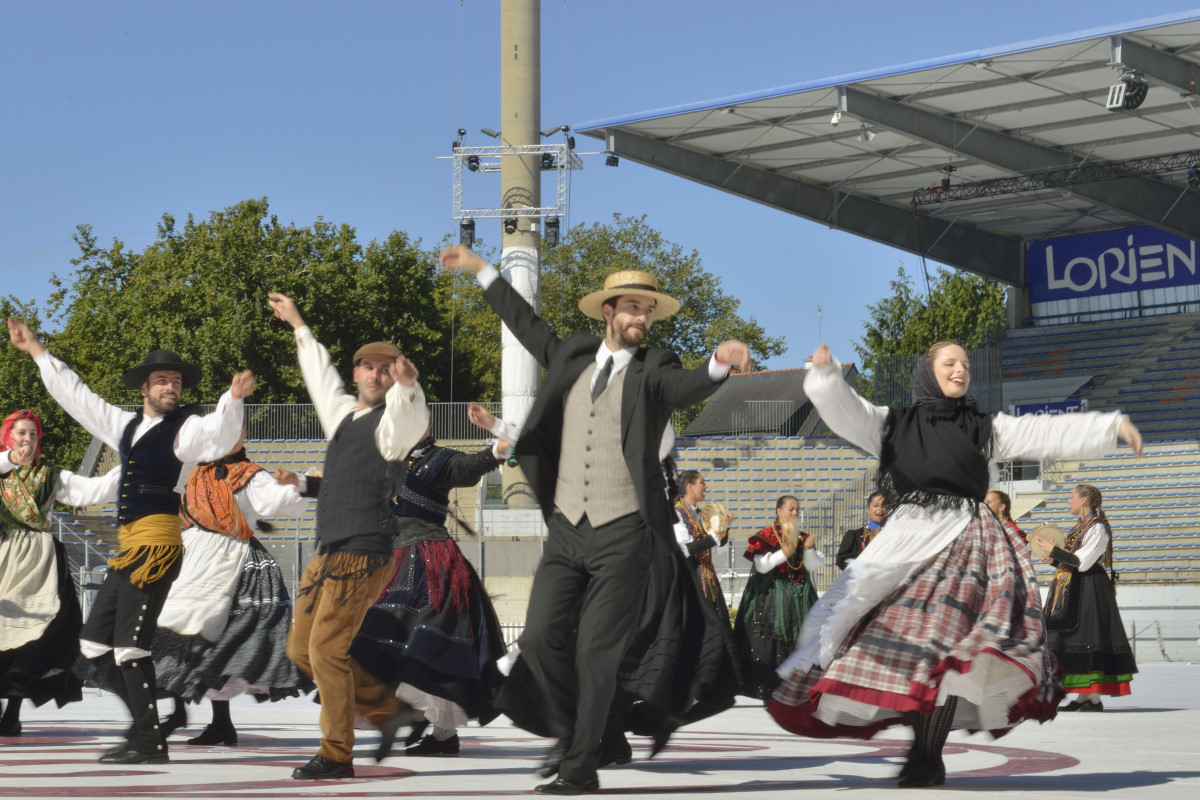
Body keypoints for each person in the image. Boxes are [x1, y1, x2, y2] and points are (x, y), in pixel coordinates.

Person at [440, 244, 750, 796]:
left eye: (649, 310)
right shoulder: (572, 358)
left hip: (625, 531)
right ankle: (579, 734)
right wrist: (480, 270)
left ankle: (581, 765)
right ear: (608, 312)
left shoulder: (656, 368)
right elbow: (525, 323)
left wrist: (719, 362)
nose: (642, 318)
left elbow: (686, 387)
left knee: (595, 651)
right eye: (633, 308)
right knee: (539, 640)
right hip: (566, 529)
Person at [768, 342, 1142, 788]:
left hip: (968, 542)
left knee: (947, 650)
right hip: (906, 544)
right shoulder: (894, 424)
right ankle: (923, 749)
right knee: (914, 649)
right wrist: (827, 377)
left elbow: (1044, 432)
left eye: (965, 364)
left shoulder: (984, 427)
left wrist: (1110, 424)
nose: (960, 370)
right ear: (929, 372)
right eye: (950, 363)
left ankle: (927, 756)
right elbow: (847, 411)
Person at [8, 318, 251, 765]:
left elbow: (219, 433)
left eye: (175, 381)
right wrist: (39, 353)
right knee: (94, 645)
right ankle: (148, 729)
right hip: (129, 550)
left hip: (157, 549)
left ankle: (149, 742)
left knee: (130, 646)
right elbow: (78, 398)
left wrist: (232, 400)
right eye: (162, 380)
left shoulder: (187, 429)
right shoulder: (123, 426)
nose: (170, 387)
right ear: (144, 387)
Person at [267, 292, 429, 780]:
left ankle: (337, 753)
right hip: (329, 551)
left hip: (365, 550)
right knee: (300, 651)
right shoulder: (341, 415)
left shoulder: (393, 422)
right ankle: (387, 712)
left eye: (386, 369)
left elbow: (411, 420)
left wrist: (410, 386)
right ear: (356, 373)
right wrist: (299, 323)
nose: (377, 375)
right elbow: (319, 375)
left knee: (327, 652)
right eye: (369, 368)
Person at [348, 424, 508, 757]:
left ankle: (442, 733)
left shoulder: (440, 459)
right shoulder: (388, 460)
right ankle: (416, 716)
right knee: (384, 638)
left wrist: (495, 451)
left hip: (431, 563)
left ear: (427, 426)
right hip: (392, 559)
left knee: (429, 642)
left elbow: (468, 469)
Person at [150, 433, 317, 746]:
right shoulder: (194, 473)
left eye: (237, 430)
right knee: (176, 633)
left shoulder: (250, 475)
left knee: (222, 643)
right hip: (194, 559)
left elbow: (278, 499)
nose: (230, 434)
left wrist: (307, 479)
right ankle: (186, 713)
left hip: (235, 559)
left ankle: (216, 722)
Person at [0, 410, 120, 736]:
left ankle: (12, 709)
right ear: (7, 437)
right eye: (20, 433)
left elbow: (94, 491)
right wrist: (9, 458)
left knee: (38, 631)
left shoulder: (51, 476)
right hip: (3, 558)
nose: (27, 440)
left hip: (40, 563)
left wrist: (135, 460)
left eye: (33, 435)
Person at [1034, 484, 1136, 712]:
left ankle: (1094, 698)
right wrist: (1055, 560)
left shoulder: (1098, 528)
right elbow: (1073, 562)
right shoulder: (1079, 528)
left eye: (1071, 497)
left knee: (1088, 637)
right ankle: (1084, 698)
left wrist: (1056, 551)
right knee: (1073, 640)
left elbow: (1083, 562)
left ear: (1083, 501)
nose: (1068, 501)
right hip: (1074, 588)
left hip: (1089, 589)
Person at [733, 495, 823, 700]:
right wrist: (784, 552)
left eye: (797, 509)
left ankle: (798, 684)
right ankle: (768, 684)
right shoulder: (766, 535)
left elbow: (813, 566)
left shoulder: (803, 537)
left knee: (800, 638)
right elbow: (761, 565)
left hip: (799, 595)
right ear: (778, 511)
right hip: (771, 595)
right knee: (769, 640)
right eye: (791, 509)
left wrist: (808, 550)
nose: (795, 513)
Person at [671, 470, 730, 622]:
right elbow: (685, 550)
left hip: (707, 576)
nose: (706, 486)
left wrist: (724, 530)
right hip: (691, 579)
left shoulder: (701, 515)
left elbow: (715, 550)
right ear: (690, 487)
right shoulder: (677, 513)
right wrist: (714, 537)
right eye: (702, 483)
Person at [836, 490, 888, 570]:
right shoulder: (854, 535)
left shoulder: (894, 535)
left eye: (884, 506)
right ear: (868, 510)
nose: (880, 509)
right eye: (876, 505)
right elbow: (841, 561)